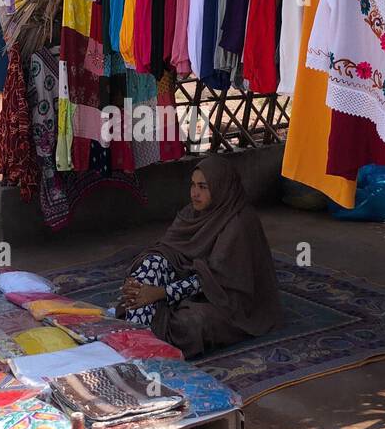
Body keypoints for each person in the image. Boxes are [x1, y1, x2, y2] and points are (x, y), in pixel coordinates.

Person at [117, 153, 281, 358]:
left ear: (221, 187)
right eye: (193, 185)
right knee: (151, 264)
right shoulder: (192, 213)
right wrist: (142, 280)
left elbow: (217, 279)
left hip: (226, 299)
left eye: (203, 187)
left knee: (190, 323)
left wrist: (160, 293)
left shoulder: (238, 222)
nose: (195, 193)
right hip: (186, 284)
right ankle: (140, 338)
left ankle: (142, 338)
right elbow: (169, 250)